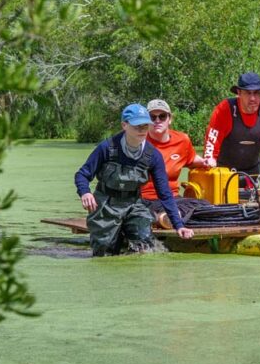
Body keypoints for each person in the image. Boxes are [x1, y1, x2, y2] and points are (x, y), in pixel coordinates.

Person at [75, 104, 194, 256]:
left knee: (145, 246)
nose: (142, 131)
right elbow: (82, 174)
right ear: (124, 125)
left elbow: (165, 194)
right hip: (106, 204)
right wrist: (85, 193)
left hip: (134, 204)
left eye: (145, 126)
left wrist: (179, 225)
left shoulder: (153, 155)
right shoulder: (106, 148)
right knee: (103, 252)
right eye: (137, 126)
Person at [202, 72, 260, 189]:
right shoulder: (225, 110)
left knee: (250, 205)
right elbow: (210, 148)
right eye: (248, 93)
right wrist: (211, 168)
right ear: (239, 93)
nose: (253, 98)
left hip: (251, 174)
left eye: (257, 93)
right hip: (223, 173)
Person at [141, 99, 210, 227]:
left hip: (173, 198)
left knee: (205, 205)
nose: (157, 121)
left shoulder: (182, 140)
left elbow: (191, 159)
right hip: (146, 198)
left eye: (162, 116)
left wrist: (205, 162)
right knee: (139, 208)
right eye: (152, 117)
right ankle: (164, 217)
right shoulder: (138, 140)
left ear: (170, 119)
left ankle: (166, 217)